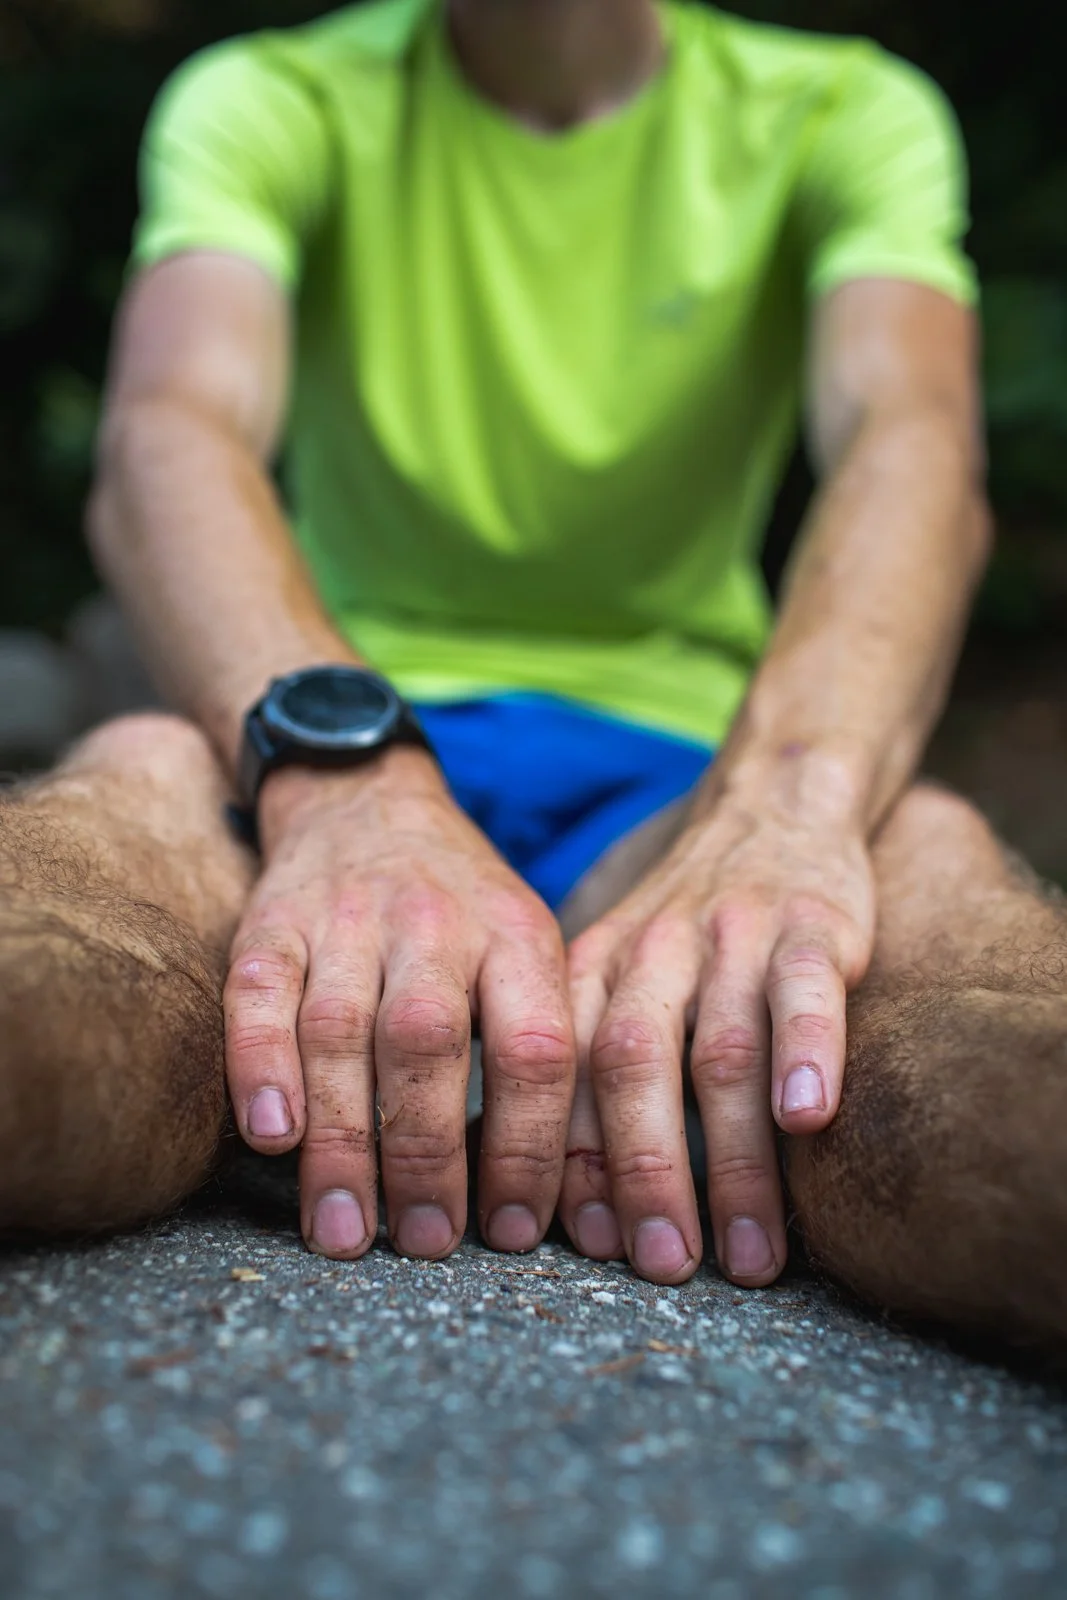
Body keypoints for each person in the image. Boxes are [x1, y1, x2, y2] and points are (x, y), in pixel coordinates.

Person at [2, 0, 1064, 1355]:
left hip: (683, 772)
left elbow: (909, 443)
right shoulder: (272, 98)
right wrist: (345, 788)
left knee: (931, 921)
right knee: (111, 851)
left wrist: (788, 805)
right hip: (328, 729)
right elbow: (171, 427)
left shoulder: (843, 112)